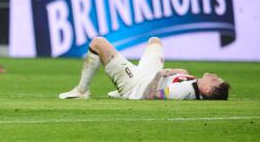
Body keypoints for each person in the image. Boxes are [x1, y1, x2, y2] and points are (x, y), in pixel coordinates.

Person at [58, 37, 230, 100]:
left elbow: (151, 95)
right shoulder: (192, 84)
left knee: (98, 43)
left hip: (137, 85)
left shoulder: (183, 91)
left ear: (207, 90)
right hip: (147, 75)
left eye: (215, 80)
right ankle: (118, 92)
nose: (214, 74)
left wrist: (162, 74)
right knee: (155, 41)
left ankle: (81, 91)